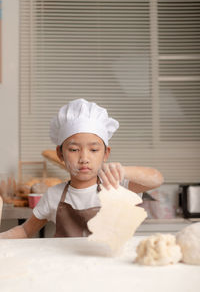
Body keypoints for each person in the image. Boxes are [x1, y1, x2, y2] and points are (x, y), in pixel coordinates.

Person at [0, 99, 164, 239]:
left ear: (106, 153)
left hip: (109, 269)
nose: (84, 158)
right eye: (73, 150)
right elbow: (25, 230)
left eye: (94, 150)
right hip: (68, 270)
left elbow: (156, 179)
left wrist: (124, 171)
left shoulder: (116, 186)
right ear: (60, 154)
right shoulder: (54, 196)